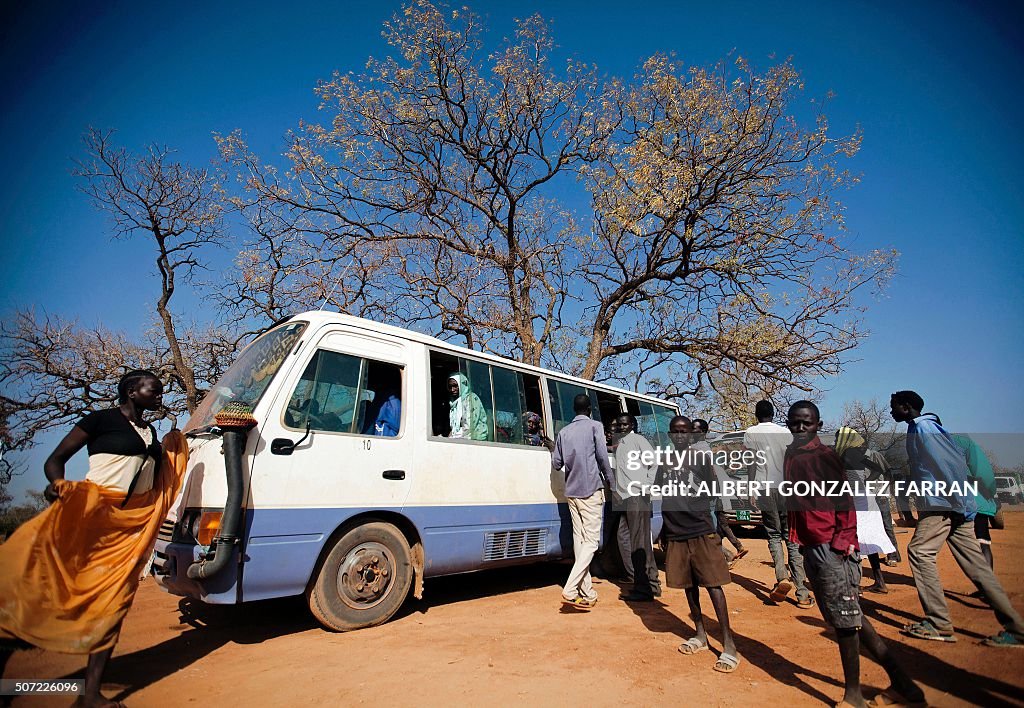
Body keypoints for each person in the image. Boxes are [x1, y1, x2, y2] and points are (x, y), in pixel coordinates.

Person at [0, 370, 189, 708]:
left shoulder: (149, 431)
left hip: (127, 527)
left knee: (114, 603)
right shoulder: (100, 420)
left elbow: (156, 472)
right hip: (92, 518)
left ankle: (90, 695)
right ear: (132, 391)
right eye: (153, 389)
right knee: (43, 593)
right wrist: (59, 487)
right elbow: (54, 460)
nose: (160, 395)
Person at [786, 401, 925, 708]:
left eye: (806, 423)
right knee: (847, 618)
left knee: (847, 622)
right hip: (810, 546)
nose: (799, 428)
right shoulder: (791, 455)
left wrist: (842, 543)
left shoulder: (826, 458)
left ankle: (854, 695)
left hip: (832, 549)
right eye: (794, 423)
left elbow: (845, 504)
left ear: (818, 425)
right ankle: (905, 685)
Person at [890, 390, 1024, 647]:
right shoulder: (924, 428)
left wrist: (957, 501)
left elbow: (950, 465)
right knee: (976, 565)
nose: (892, 411)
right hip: (953, 503)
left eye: (894, 406)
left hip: (943, 504)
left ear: (906, 407)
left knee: (919, 553)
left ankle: (938, 622)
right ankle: (1017, 628)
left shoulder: (924, 428)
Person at [662, 416, 740, 673]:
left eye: (685, 431)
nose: (680, 435)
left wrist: (707, 522)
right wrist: (665, 530)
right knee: (688, 585)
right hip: (676, 532)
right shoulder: (665, 462)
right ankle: (700, 635)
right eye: (676, 431)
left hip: (700, 530)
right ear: (671, 434)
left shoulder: (702, 460)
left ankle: (729, 645)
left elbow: (712, 492)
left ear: (691, 435)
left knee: (713, 585)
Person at [743, 400, 812, 607]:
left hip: (764, 489)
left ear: (756, 415)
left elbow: (751, 463)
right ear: (773, 414)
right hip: (786, 488)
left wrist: (751, 490)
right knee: (792, 536)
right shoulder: (785, 433)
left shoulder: (751, 433)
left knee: (773, 534)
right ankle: (802, 592)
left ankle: (781, 577)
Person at [551, 394, 613, 610]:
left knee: (580, 540)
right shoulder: (596, 427)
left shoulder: (564, 432)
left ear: (574, 410)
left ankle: (587, 591)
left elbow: (557, 463)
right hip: (590, 490)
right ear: (589, 409)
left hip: (572, 491)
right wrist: (612, 483)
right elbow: (603, 458)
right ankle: (570, 588)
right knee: (592, 542)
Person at [835, 427, 896, 594]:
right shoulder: (859, 454)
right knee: (867, 541)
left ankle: (854, 584)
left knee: (853, 539)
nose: (835, 442)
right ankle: (879, 581)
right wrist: (866, 482)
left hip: (855, 501)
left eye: (837, 438)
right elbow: (879, 469)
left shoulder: (845, 455)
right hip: (867, 500)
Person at [612, 414, 661, 601]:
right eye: (619, 424)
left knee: (638, 544)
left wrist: (646, 486)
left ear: (632, 425)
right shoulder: (623, 443)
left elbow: (653, 462)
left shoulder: (637, 439)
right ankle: (650, 584)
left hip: (637, 497)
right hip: (626, 498)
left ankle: (645, 588)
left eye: (625, 424)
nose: (621, 427)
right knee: (626, 537)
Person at [691, 419, 748, 567]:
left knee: (707, 528)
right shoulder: (700, 448)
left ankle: (721, 558)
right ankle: (726, 554)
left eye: (695, 430)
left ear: (703, 433)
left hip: (705, 494)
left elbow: (713, 473)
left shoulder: (701, 449)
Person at [951, 432, 999, 570]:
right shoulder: (963, 442)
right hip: (976, 500)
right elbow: (983, 473)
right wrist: (990, 493)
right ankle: (988, 587)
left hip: (951, 503)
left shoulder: (930, 444)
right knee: (982, 543)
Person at [863, 447, 901, 564]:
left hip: (879, 496)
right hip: (867, 497)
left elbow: (888, 473)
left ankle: (893, 556)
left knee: (887, 526)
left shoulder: (875, 455)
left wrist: (884, 491)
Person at [447, 373, 488, 440]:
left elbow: (469, 427)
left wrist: (452, 438)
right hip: (460, 440)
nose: (452, 389)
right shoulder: (453, 404)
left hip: (476, 442)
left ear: (462, 384)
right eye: (450, 387)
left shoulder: (471, 399)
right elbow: (454, 430)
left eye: (455, 386)